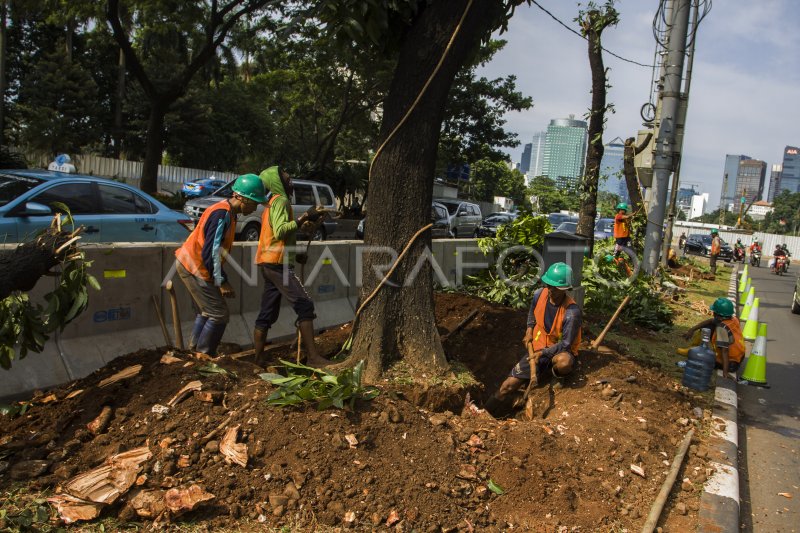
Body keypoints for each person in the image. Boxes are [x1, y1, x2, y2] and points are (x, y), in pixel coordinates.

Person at [175, 174, 266, 357]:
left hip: (194, 265)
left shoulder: (228, 213)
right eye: (254, 202)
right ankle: (204, 354)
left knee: (209, 310)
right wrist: (221, 281)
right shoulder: (221, 214)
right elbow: (211, 252)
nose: (255, 207)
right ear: (241, 197)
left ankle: (195, 352)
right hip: (194, 266)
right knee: (219, 314)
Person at [252, 166, 330, 368]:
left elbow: (282, 236)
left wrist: (297, 253)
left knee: (267, 313)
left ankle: (258, 360)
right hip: (278, 265)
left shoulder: (272, 203)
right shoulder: (281, 201)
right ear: (277, 181)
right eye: (286, 177)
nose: (291, 180)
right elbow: (279, 232)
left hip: (269, 262)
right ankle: (313, 358)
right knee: (305, 305)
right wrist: (303, 218)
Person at [484, 262, 582, 416]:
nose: (550, 289)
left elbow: (566, 344)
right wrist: (529, 329)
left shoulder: (571, 312)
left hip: (557, 352)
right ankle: (484, 413)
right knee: (506, 386)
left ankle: (556, 376)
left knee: (564, 363)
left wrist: (543, 354)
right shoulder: (539, 294)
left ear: (565, 289)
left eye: (555, 287)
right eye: (548, 284)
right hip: (537, 349)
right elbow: (532, 314)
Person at [677, 298, 745, 379]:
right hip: (740, 356)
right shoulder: (733, 319)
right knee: (707, 327)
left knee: (703, 359)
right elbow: (710, 321)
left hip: (731, 363)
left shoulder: (722, 329)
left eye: (714, 312)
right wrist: (692, 330)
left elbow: (725, 351)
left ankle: (692, 357)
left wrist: (725, 372)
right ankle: (693, 348)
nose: (712, 314)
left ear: (717, 315)